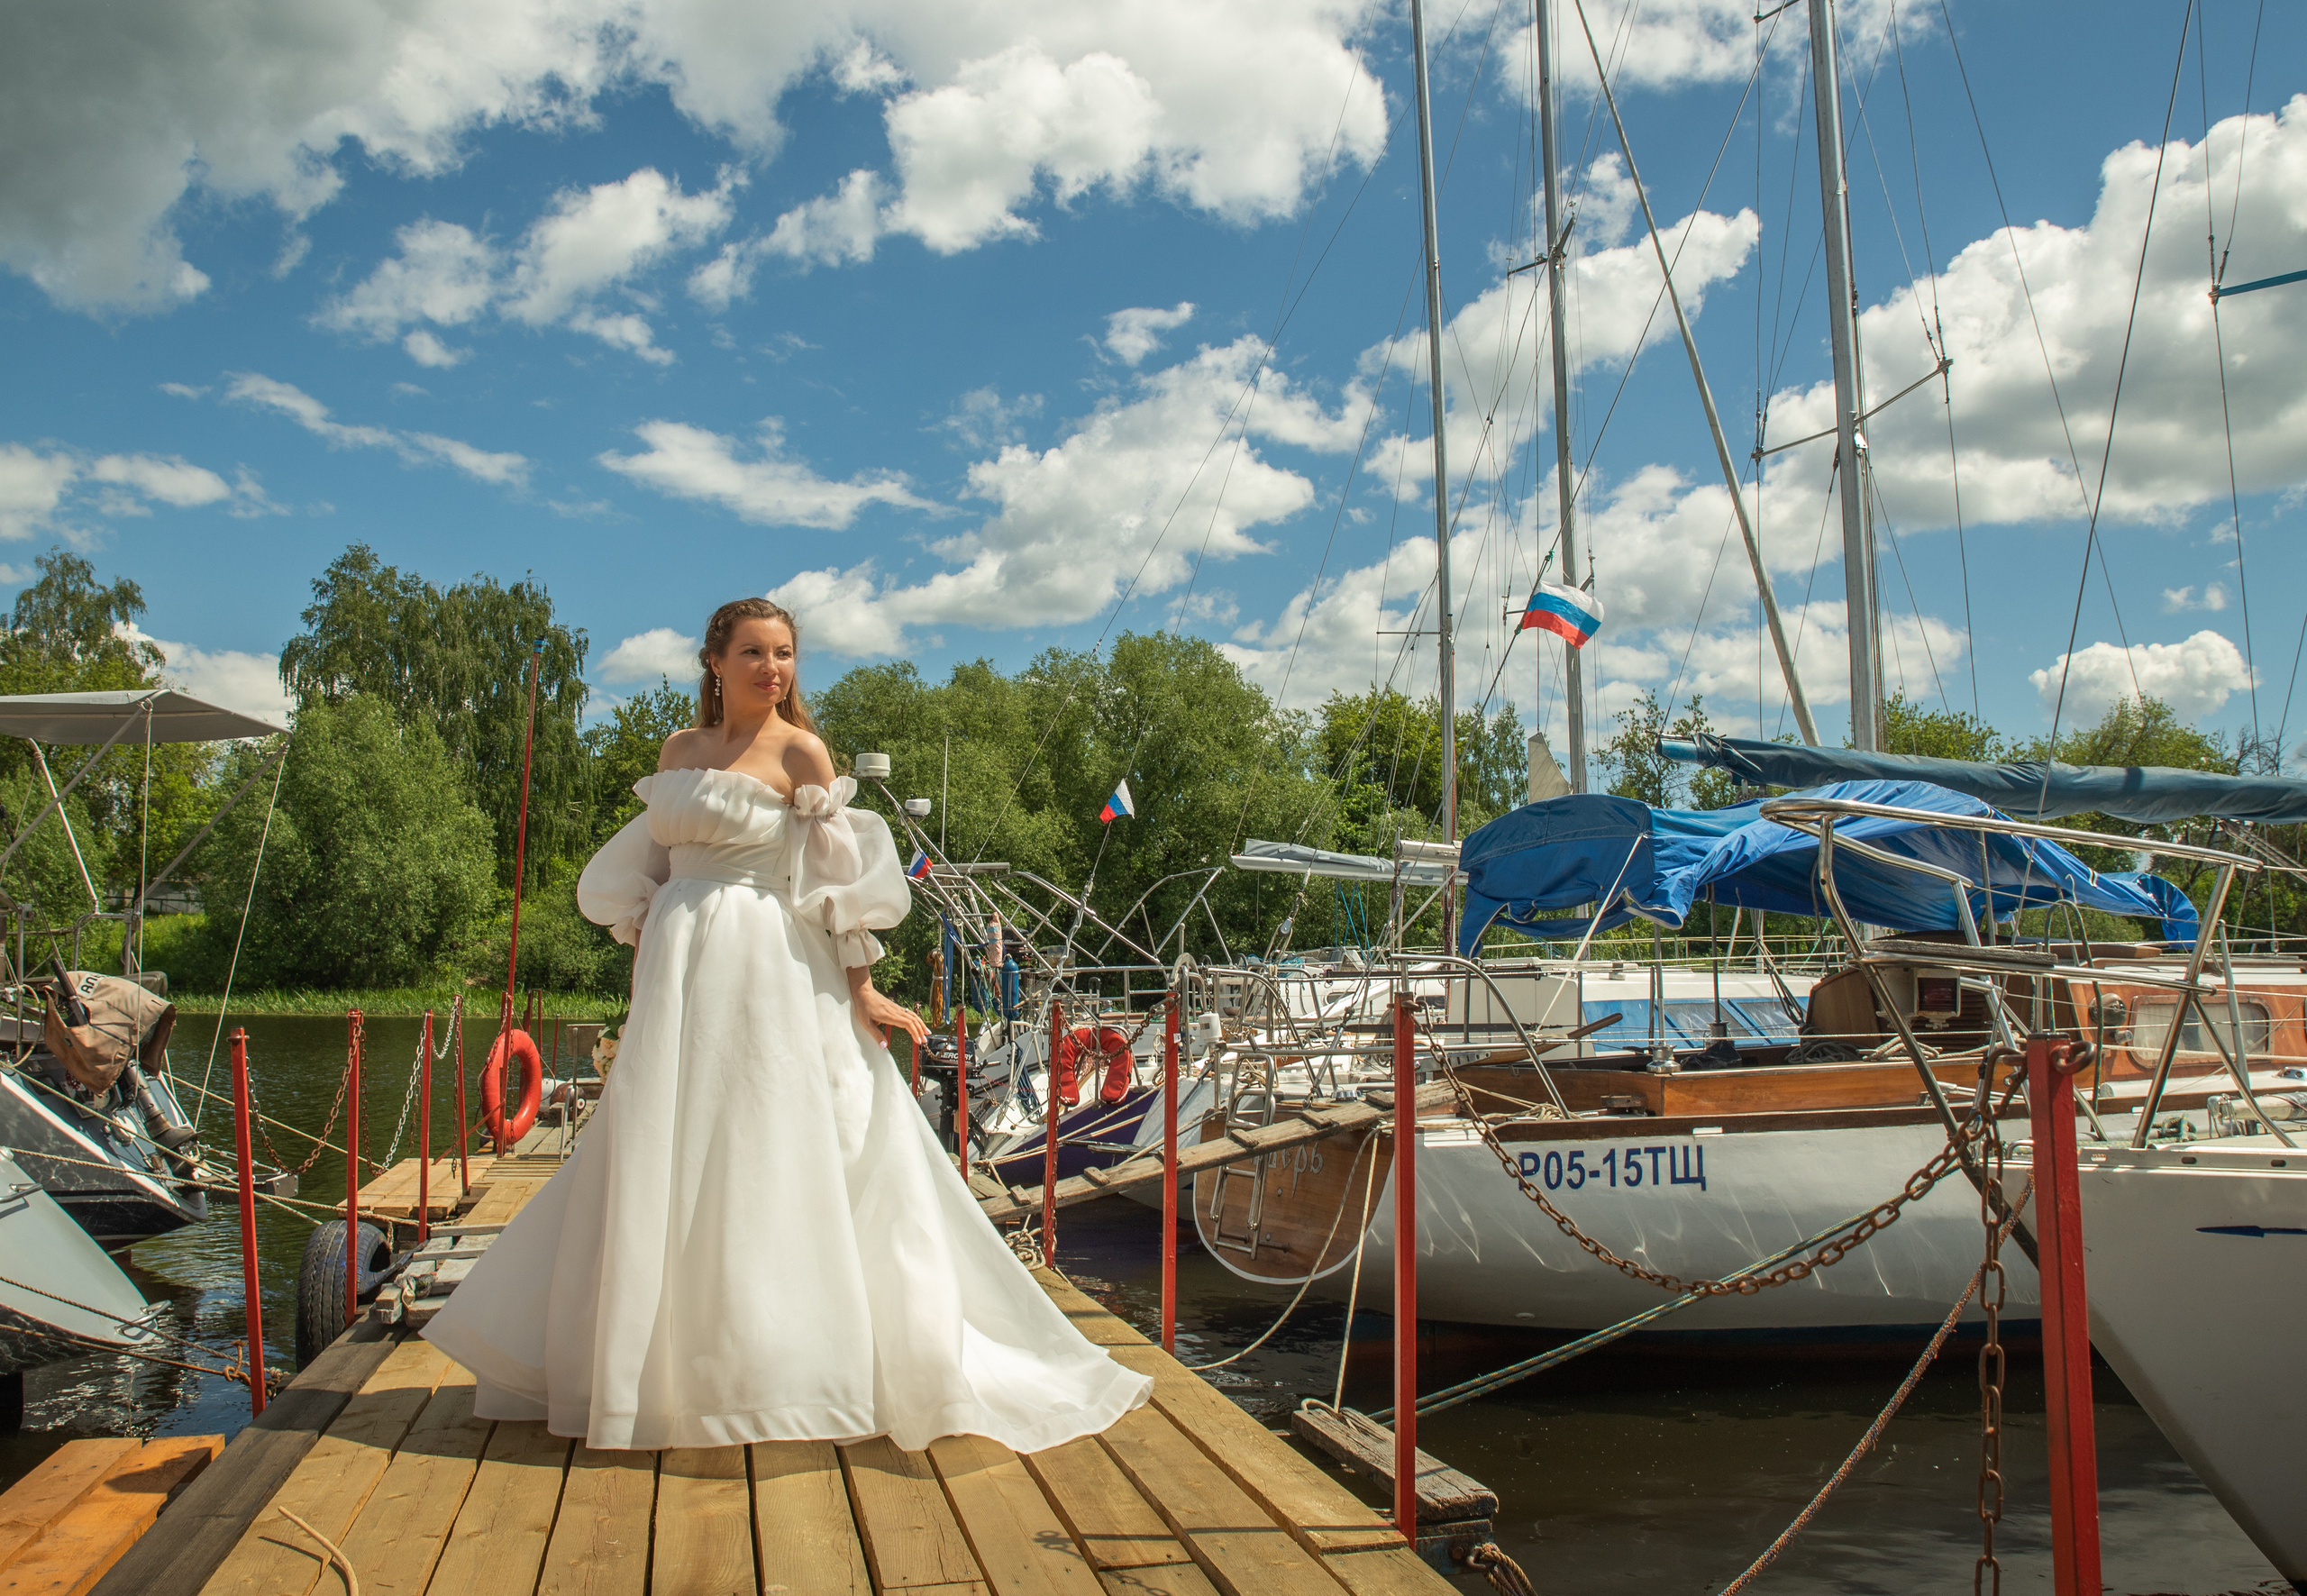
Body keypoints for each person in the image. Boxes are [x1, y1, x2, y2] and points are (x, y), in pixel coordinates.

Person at [424, 597, 1152, 1452]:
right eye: (753, 652)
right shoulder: (678, 751)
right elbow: (656, 872)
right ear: (715, 661)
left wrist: (863, 989)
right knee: (658, 1145)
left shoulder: (803, 752)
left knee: (765, 1142)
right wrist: (647, 973)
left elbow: (837, 883)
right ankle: (659, 1372)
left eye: (784, 654)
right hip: (677, 968)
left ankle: (784, 1369)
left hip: (768, 958)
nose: (772, 668)